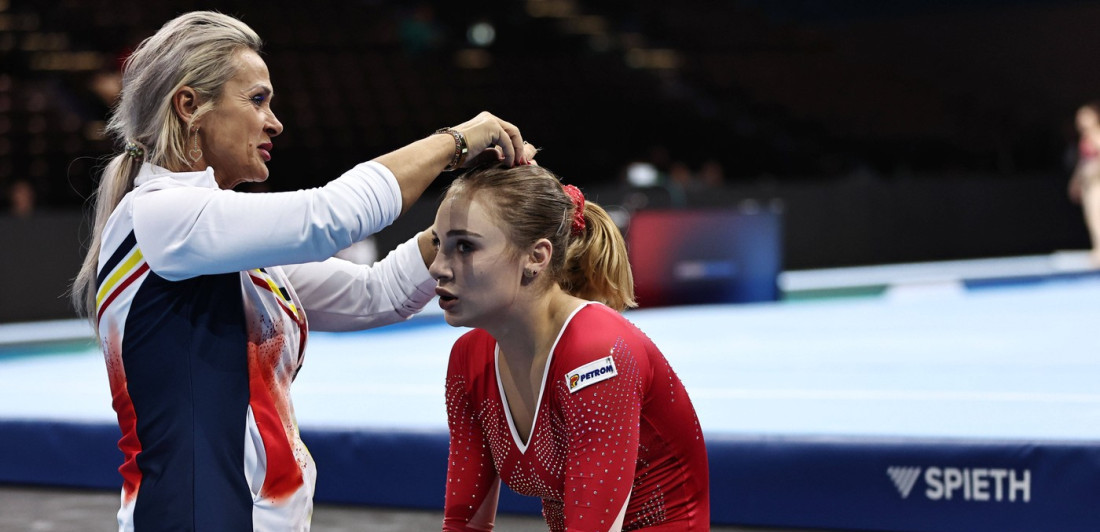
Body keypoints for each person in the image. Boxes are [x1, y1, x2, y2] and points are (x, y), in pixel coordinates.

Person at [69, 11, 536, 531]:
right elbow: (330, 216)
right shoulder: (159, 215)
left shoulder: (217, 243)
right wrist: (458, 140)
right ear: (189, 106)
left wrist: (460, 223)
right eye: (257, 99)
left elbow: (373, 293)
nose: (275, 121)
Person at [429, 164, 710, 531]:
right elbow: (463, 523)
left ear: (536, 257)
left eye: (464, 246)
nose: (437, 267)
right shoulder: (468, 358)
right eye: (437, 244)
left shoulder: (597, 352)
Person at [1069, 102, 1100, 265]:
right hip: (1088, 184)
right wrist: (1075, 181)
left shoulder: (1097, 135)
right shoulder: (1085, 138)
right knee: (1091, 217)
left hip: (1098, 183)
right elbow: (1082, 162)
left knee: (1097, 216)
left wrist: (1093, 170)